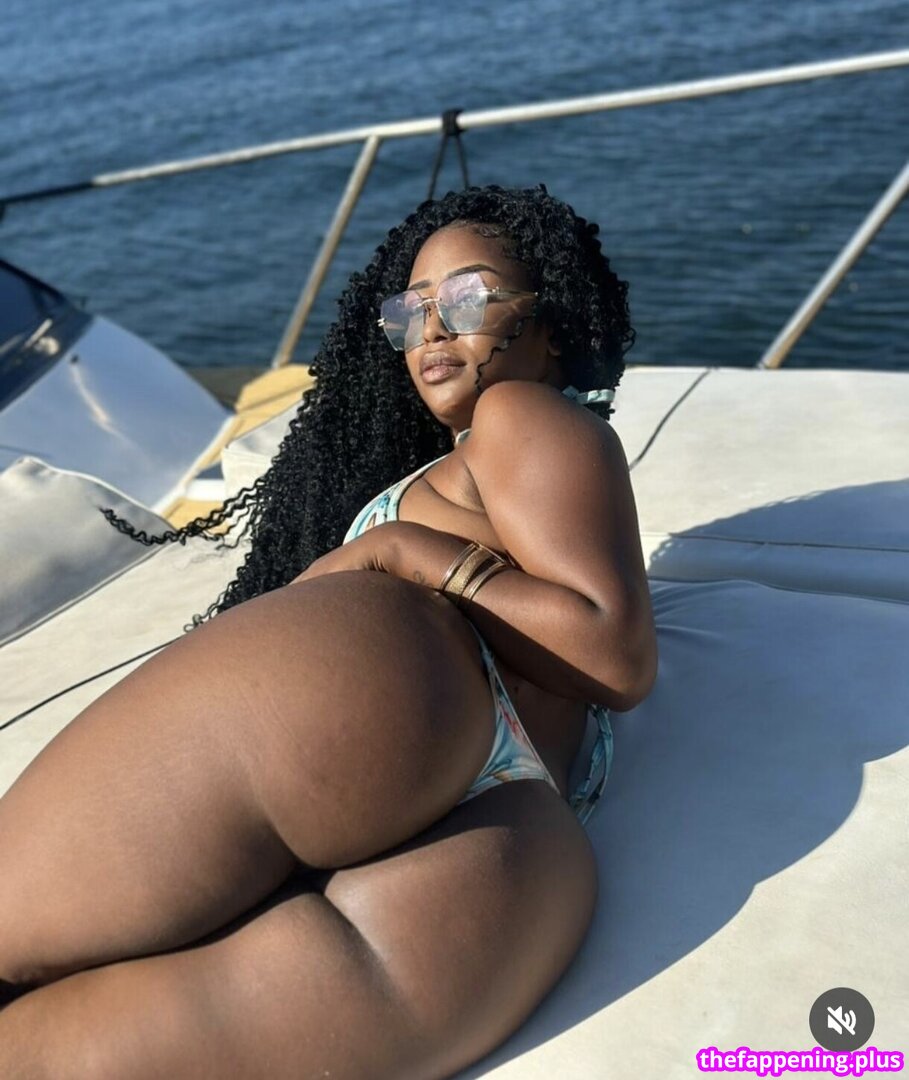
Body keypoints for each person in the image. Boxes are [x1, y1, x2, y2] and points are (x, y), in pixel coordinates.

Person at [0, 184, 657, 1078]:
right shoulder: (507, 462)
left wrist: (398, 548)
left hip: (397, 702)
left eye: (467, 297)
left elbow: (612, 655)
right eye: (409, 311)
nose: (432, 328)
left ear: (551, 324)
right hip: (518, 840)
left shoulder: (520, 412)